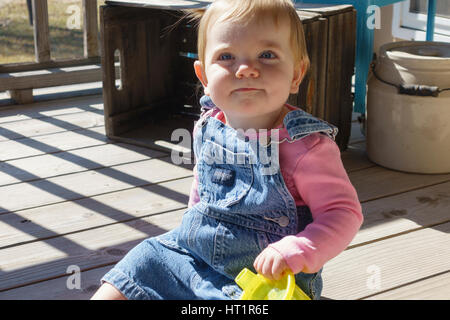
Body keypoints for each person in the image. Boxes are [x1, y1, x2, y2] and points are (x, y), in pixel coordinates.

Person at [91, 0, 363, 300]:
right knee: (139, 263)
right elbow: (203, 189)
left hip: (264, 281)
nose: (246, 69)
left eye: (267, 55)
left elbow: (343, 214)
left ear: (296, 74)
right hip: (192, 256)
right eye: (227, 56)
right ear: (204, 77)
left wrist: (297, 250)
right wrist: (191, 224)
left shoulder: (306, 146)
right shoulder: (209, 124)